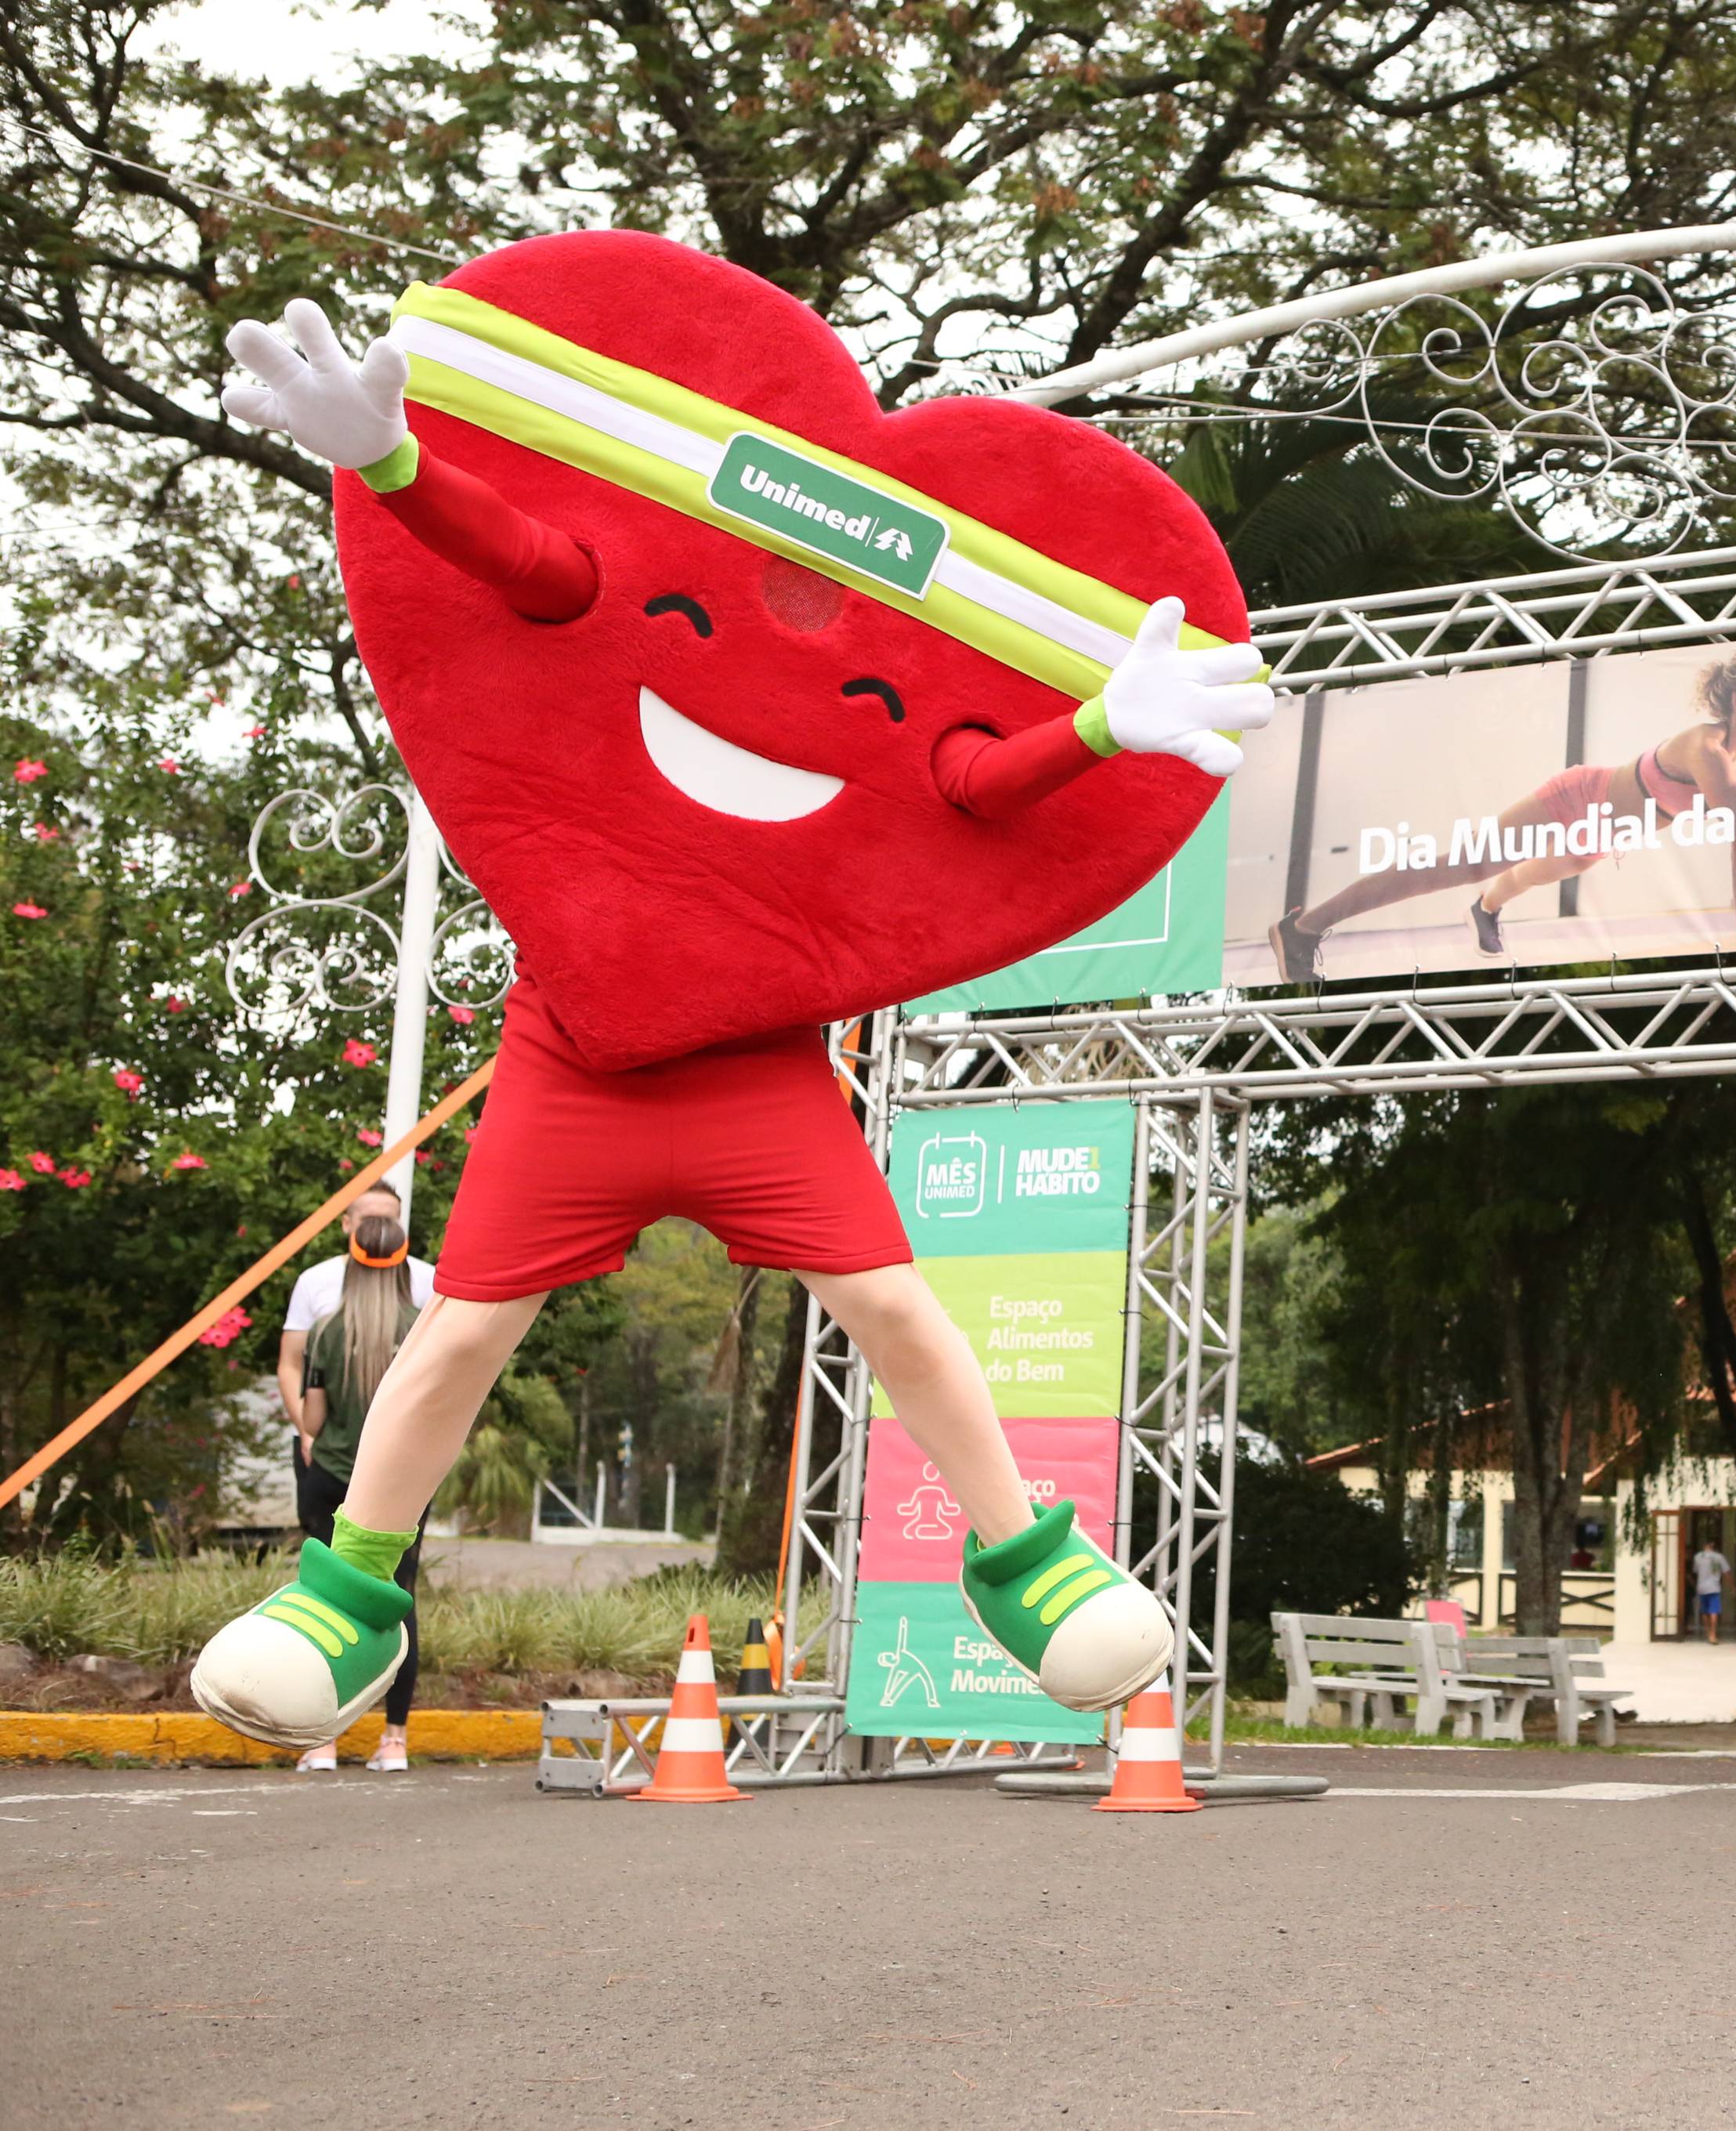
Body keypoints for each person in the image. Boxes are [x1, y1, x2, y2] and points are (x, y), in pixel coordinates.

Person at [186, 257, 1265, 1754]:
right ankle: (349, 1588)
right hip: (579, 1049)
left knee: (892, 1303)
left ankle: (1020, 1559)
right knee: (463, 1331)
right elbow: (528, 564)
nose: (779, 644)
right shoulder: (601, 593)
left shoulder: (901, 731)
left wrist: (1096, 728)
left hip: (758, 1066)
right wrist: (390, 462)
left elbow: (968, 781)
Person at [1264, 646, 1736, 980]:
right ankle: (1303, 925)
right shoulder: (1708, 748)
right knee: (1462, 864)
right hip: (1577, 798)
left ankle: (1485, 910)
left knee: (1524, 878)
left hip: (1604, 833)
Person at [288, 1203, 428, 1772]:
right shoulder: (420, 1330)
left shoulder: (325, 1331)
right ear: (401, 1264)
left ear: (350, 1258)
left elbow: (313, 1420)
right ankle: (394, 1740)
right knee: (399, 1600)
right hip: (402, 1485)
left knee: (325, 1606)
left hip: (332, 1479)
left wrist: (308, 1418)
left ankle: (324, 1740)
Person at [278, 1181, 435, 1456]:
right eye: (368, 1220)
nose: (378, 1229)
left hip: (398, 1450)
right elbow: (290, 1364)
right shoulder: (315, 1281)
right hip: (323, 1447)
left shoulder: (427, 1280)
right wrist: (306, 1433)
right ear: (347, 1224)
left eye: (388, 1220)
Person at [1691, 1539, 1731, 1644]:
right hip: (1714, 1587)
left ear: (1705, 1545)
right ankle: (1713, 1635)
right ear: (1713, 1546)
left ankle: (1708, 1633)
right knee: (1714, 1611)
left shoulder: (1698, 1557)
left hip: (1702, 1587)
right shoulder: (1719, 1557)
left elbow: (1695, 1571)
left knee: (1704, 1611)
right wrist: (1733, 1586)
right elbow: (1726, 1572)